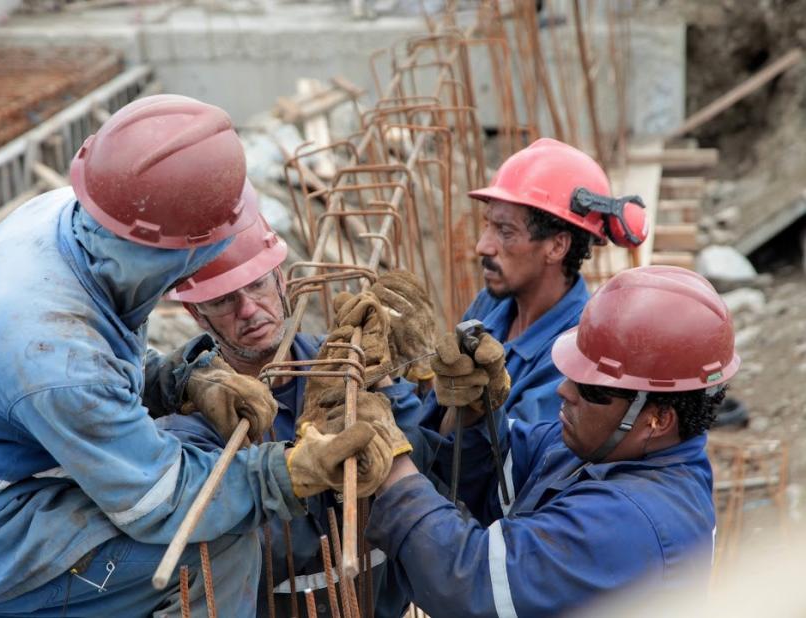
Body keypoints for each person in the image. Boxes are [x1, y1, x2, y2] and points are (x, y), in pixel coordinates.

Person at [0, 94, 388, 617]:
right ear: (174, 254)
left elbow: (78, 364)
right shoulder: (53, 354)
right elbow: (157, 502)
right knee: (217, 547)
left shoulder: (68, 220)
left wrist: (173, 382)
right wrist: (282, 474)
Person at [367, 265, 738, 616]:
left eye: (592, 389)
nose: (564, 390)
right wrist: (475, 412)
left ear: (657, 419)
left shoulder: (633, 523)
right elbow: (503, 471)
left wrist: (390, 457)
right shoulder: (608, 451)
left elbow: (472, 581)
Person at [151, 206, 431, 618]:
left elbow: (431, 480)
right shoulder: (195, 424)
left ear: (280, 279)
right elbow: (237, 550)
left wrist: (395, 390)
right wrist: (308, 478)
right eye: (224, 300)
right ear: (196, 314)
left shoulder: (345, 363)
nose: (248, 310)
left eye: (257, 285)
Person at [423, 137, 647, 427]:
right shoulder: (490, 303)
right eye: (488, 225)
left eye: (505, 231)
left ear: (556, 247)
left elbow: (505, 464)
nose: (482, 246)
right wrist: (403, 386)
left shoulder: (578, 349)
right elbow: (436, 421)